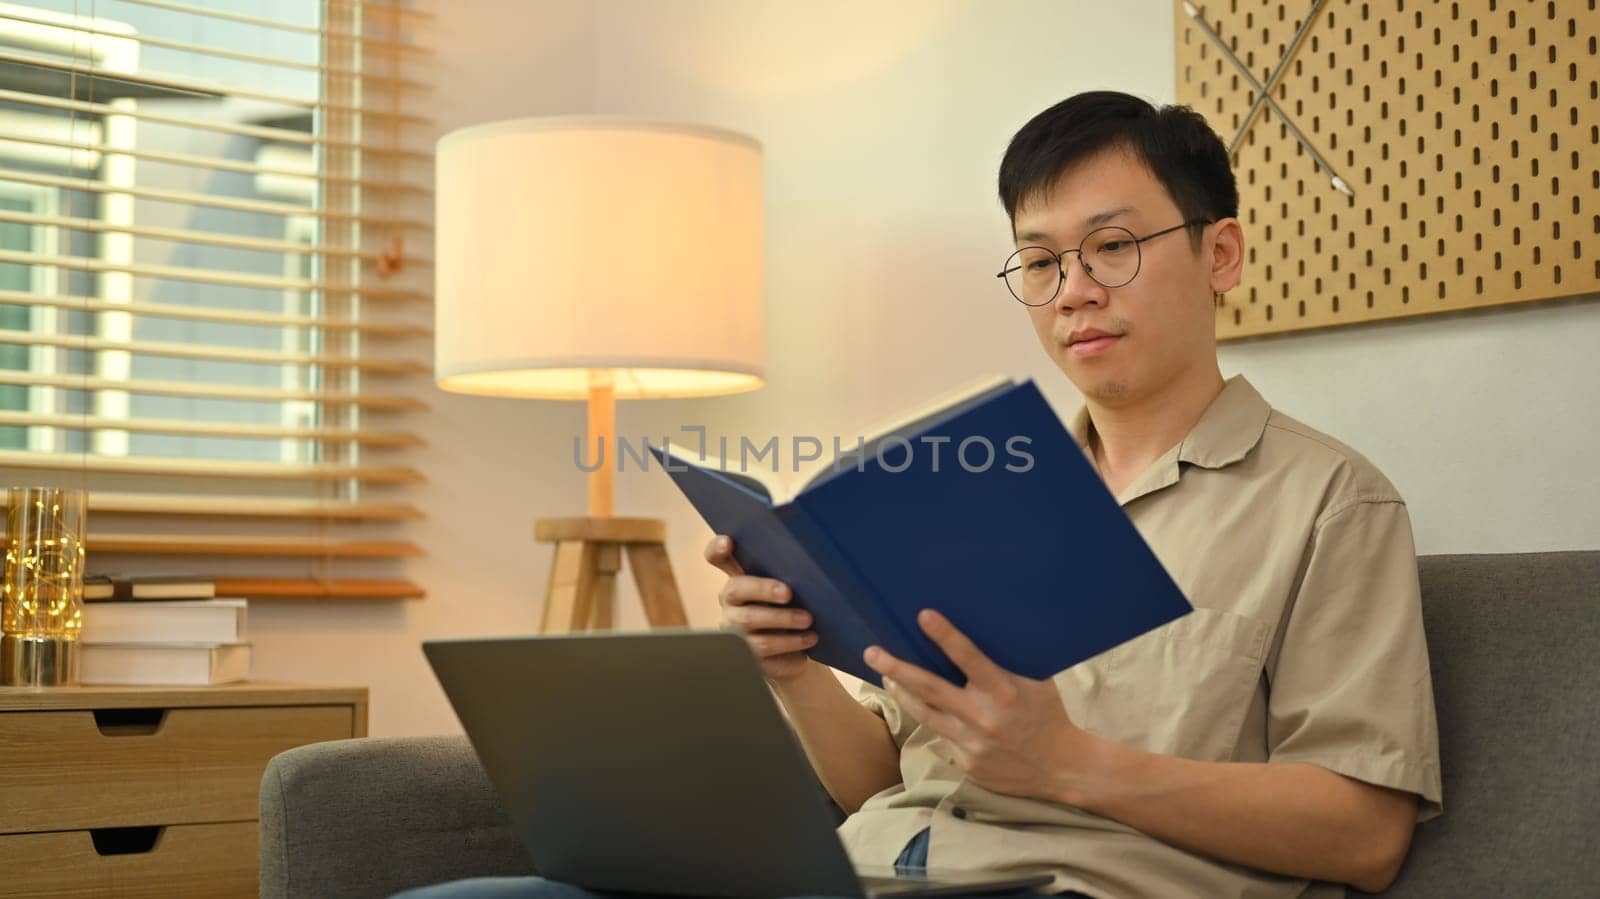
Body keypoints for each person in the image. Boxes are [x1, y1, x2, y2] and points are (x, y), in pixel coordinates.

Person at [397, 91, 1441, 899]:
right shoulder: (964, 485)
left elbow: (1364, 834)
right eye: (1038, 260)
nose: (1073, 286)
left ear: (1221, 251)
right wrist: (796, 667)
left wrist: (1068, 761)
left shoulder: (1328, 502)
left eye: (1112, 246)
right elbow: (873, 781)